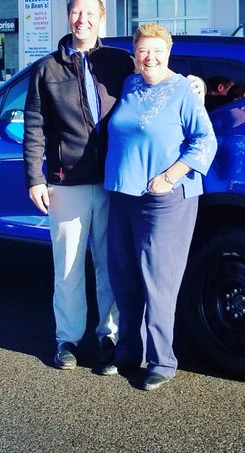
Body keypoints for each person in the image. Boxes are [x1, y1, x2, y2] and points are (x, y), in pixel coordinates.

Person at [22, 0, 135, 373]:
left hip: (112, 182)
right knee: (67, 266)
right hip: (65, 182)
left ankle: (109, 336)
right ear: (68, 17)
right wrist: (35, 179)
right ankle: (67, 339)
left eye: (89, 13)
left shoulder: (120, 62)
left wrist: (194, 86)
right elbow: (34, 128)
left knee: (109, 264)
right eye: (75, 12)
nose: (81, 19)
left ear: (100, 19)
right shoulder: (46, 69)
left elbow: (155, 87)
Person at [104, 22, 217, 391]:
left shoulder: (183, 89)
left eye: (157, 51)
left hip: (165, 199)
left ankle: (162, 361)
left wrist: (171, 175)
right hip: (123, 193)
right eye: (142, 51)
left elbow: (205, 140)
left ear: (168, 52)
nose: (149, 58)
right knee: (124, 275)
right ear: (134, 54)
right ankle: (128, 350)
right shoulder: (130, 85)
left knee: (158, 280)